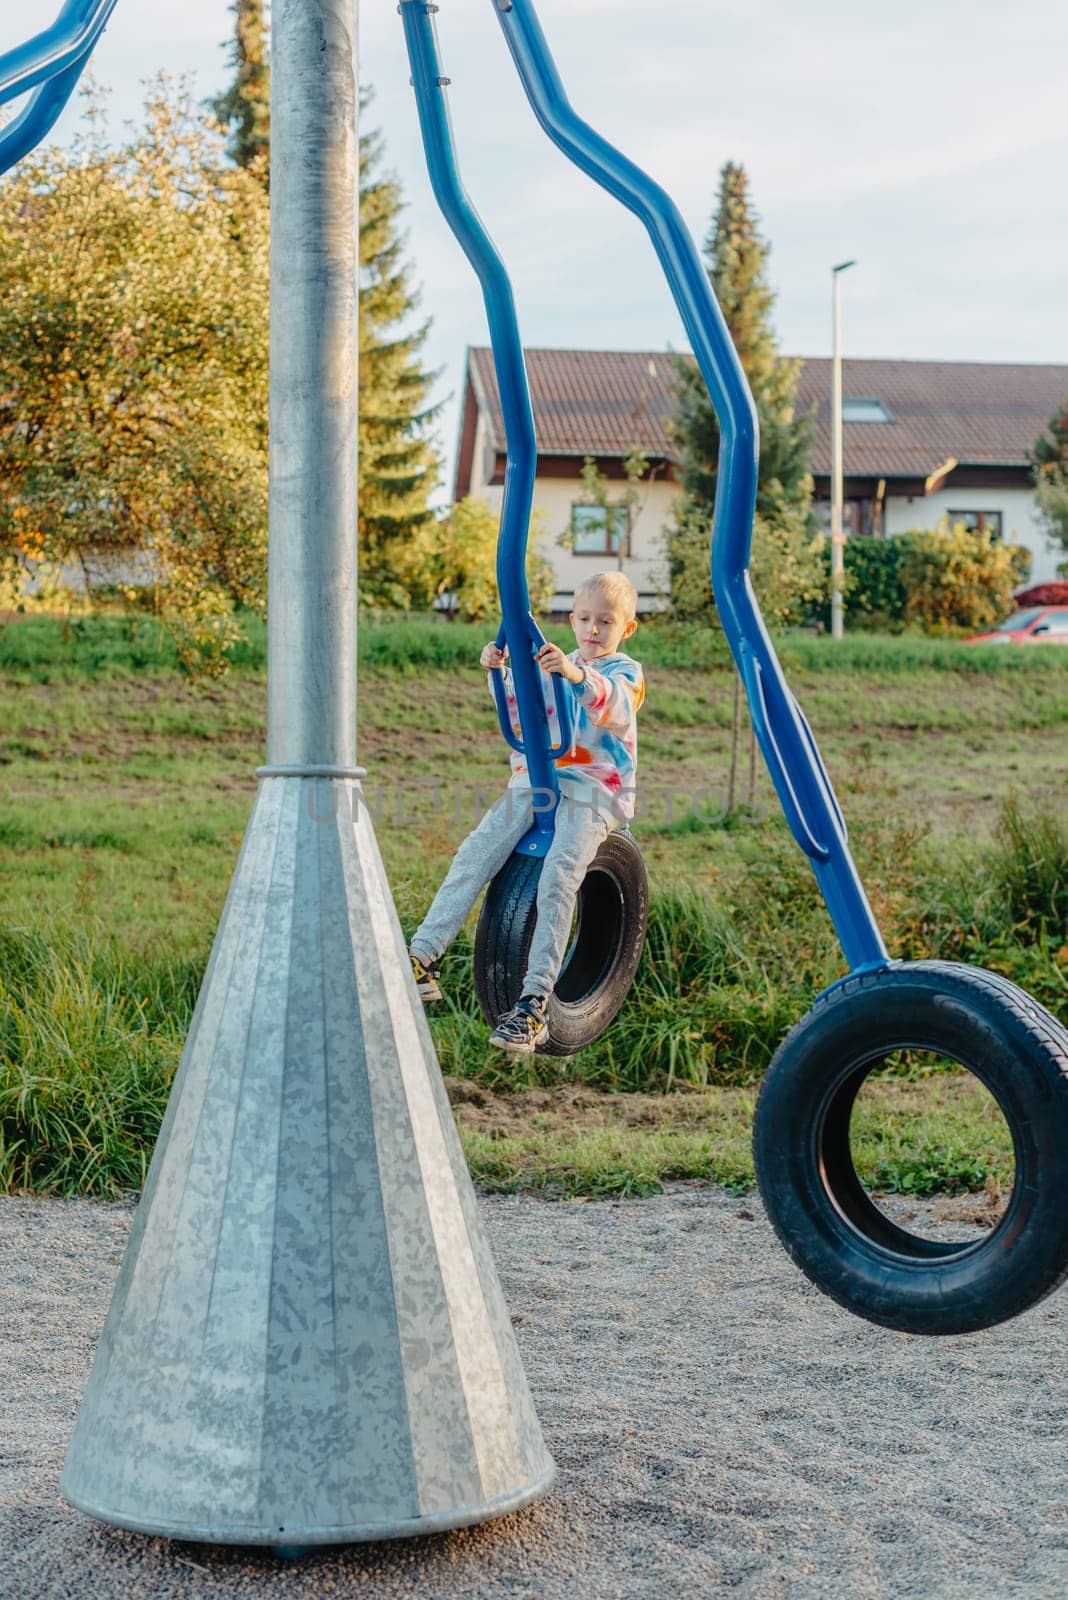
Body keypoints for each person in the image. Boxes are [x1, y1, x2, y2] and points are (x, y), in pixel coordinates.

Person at [409, 570, 646, 1052]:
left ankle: (535, 1003)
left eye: (606, 621)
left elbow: (615, 705)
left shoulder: (625, 671)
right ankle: (421, 958)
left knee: (559, 875)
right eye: (584, 619)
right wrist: (498, 670)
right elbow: (523, 711)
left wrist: (575, 674)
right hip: (538, 781)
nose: (593, 630)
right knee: (475, 853)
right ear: (572, 619)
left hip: (596, 789)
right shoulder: (557, 662)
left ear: (627, 628)